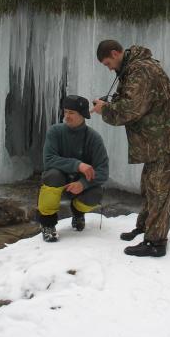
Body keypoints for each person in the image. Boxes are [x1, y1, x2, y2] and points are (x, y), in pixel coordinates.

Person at [92, 40, 170, 257]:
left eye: (108, 63)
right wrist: (109, 102)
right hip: (155, 138)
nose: (108, 68)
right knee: (149, 184)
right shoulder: (132, 68)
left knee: (159, 190)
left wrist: (105, 110)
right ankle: (145, 226)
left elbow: (130, 109)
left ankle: (156, 242)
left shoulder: (140, 70)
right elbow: (131, 98)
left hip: (165, 138)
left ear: (116, 53)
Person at [37, 94, 109, 242]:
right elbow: (49, 160)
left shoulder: (94, 138)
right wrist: (78, 165)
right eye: (65, 111)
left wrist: (83, 184)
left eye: (72, 113)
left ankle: (77, 213)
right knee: (52, 175)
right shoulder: (55, 132)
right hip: (59, 181)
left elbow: (103, 170)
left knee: (96, 193)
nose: (67, 116)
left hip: (79, 185)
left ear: (82, 115)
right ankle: (48, 224)